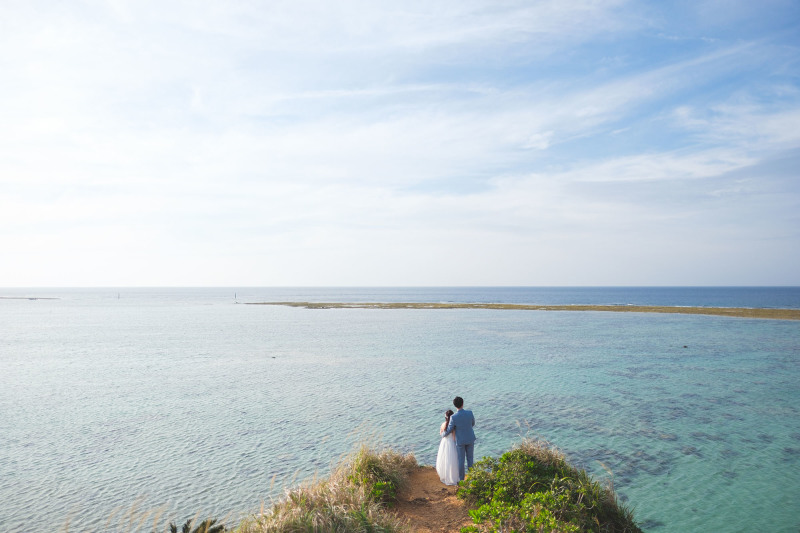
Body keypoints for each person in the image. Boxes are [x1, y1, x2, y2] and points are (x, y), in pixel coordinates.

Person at [443, 396, 476, 481]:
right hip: (470, 438)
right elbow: (472, 423)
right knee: (470, 459)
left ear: (455, 406)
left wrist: (443, 434)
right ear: (463, 403)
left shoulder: (453, 417)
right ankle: (472, 478)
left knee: (461, 460)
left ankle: (461, 480)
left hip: (460, 441)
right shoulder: (470, 413)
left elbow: (449, 429)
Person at [435, 409, 459, 485]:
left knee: (444, 459)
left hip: (444, 443)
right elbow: (454, 438)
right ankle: (453, 477)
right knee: (452, 460)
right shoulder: (453, 426)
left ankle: (444, 476)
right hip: (451, 443)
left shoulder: (443, 424)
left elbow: (440, 433)